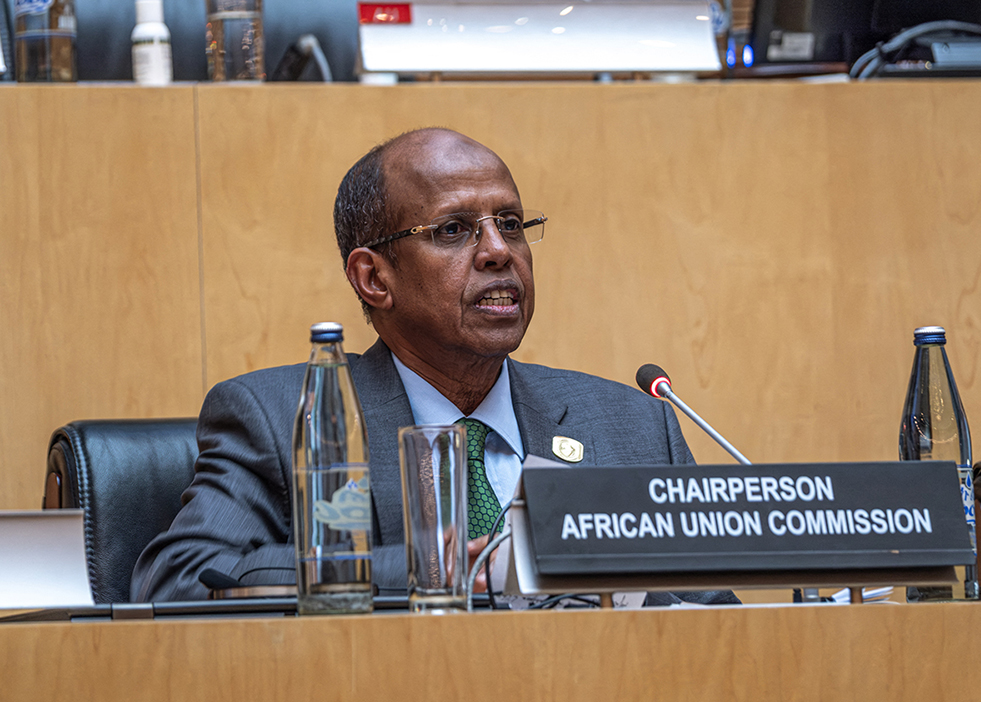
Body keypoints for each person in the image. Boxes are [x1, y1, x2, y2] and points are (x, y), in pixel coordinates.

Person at [131, 128, 736, 605]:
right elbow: (178, 580)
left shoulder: (630, 426)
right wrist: (422, 569)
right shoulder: (287, 418)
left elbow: (714, 623)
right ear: (374, 278)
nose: (499, 251)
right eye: (453, 230)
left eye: (510, 224)